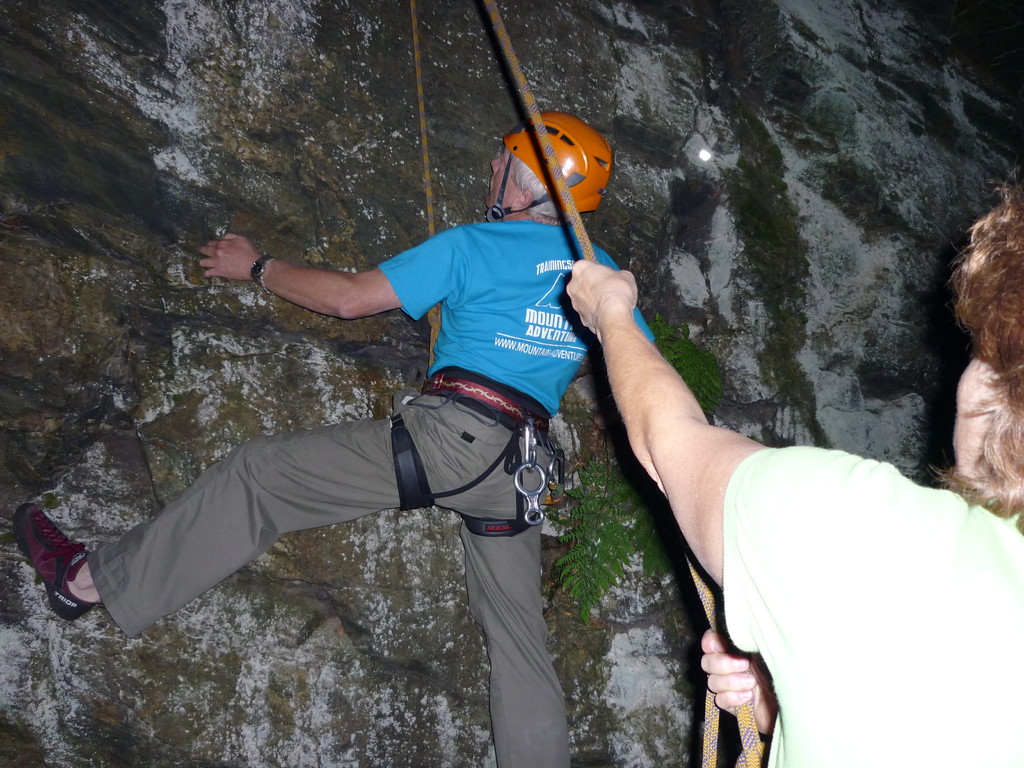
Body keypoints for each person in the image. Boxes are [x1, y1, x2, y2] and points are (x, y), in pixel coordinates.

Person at [13, 111, 652, 768]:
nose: (491, 167)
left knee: (257, 477)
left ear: (526, 186)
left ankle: (84, 582)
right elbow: (644, 380)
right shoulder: (603, 278)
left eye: (502, 160)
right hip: (519, 473)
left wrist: (258, 266)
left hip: (456, 438)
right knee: (521, 645)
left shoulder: (476, 244)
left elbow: (351, 298)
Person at [565, 183, 1024, 766]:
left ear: (993, 386)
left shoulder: (858, 528)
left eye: (981, 351)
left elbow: (668, 439)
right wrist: (777, 699)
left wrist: (610, 311)